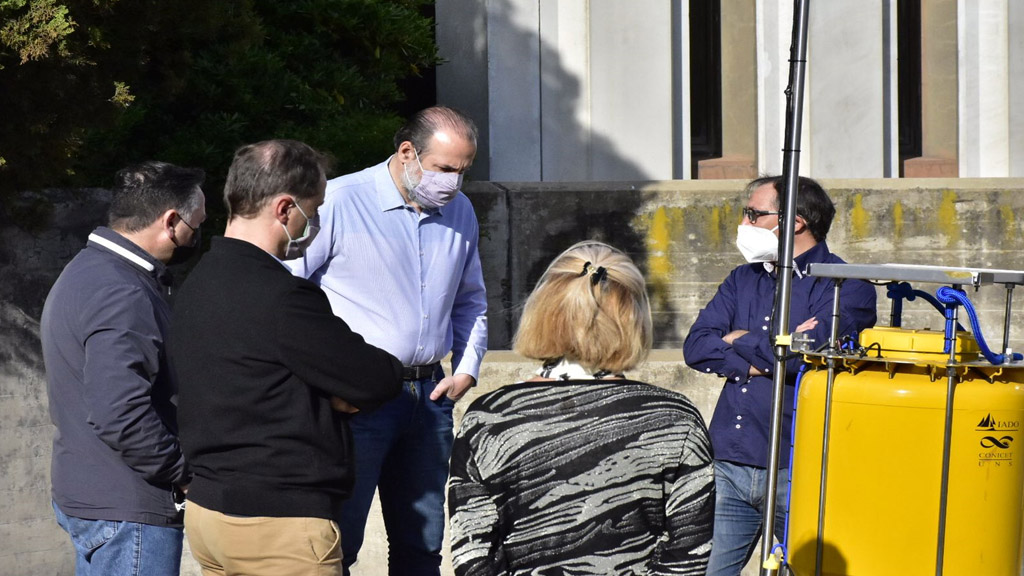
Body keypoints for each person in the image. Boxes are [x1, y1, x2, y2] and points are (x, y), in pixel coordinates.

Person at [169, 139, 404, 576]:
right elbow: (377, 378)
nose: (310, 225)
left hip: (209, 512)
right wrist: (331, 392)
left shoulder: (198, 282)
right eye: (311, 214)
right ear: (284, 209)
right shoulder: (283, 297)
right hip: (277, 524)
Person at [286, 106, 488, 575]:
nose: (453, 182)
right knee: (339, 542)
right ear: (407, 153)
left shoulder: (460, 210)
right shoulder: (339, 201)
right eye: (444, 168)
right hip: (353, 398)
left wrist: (467, 368)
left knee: (423, 545)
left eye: (463, 171)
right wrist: (327, 380)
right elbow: (287, 295)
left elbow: (471, 298)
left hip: (430, 394)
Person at [448, 241, 715, 575]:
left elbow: (472, 555)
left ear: (542, 311)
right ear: (635, 318)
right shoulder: (675, 418)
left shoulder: (488, 419)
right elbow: (686, 556)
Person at [683, 176, 877, 576]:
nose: (745, 222)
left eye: (754, 214)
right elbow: (697, 346)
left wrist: (739, 339)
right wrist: (770, 348)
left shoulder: (845, 284)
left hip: (798, 466)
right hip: (729, 463)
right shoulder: (744, 278)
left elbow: (810, 351)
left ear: (794, 222)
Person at [41, 161, 206, 576]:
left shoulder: (90, 270)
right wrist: (182, 473)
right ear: (171, 221)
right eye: (197, 224)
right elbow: (119, 412)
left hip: (99, 497)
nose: (197, 235)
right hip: (128, 509)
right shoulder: (121, 290)